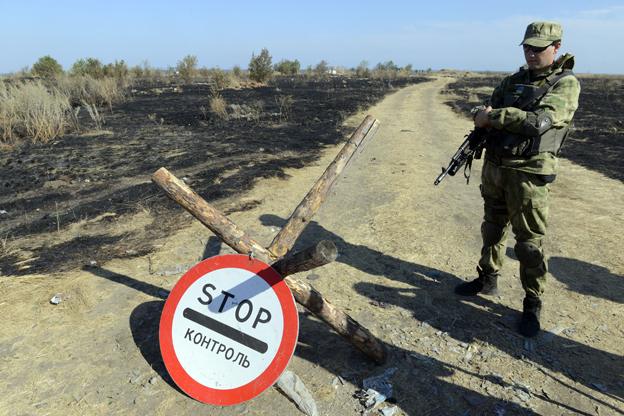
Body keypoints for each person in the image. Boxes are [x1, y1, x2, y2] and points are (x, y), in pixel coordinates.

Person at [454, 22, 581, 337]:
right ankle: (487, 278)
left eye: (538, 48)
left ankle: (532, 302)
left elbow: (538, 122)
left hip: (528, 173)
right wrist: (481, 115)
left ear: (557, 47)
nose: (532, 53)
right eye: (527, 47)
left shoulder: (565, 84)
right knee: (492, 228)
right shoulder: (513, 81)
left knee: (528, 243)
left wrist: (493, 117)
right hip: (497, 167)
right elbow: (483, 109)